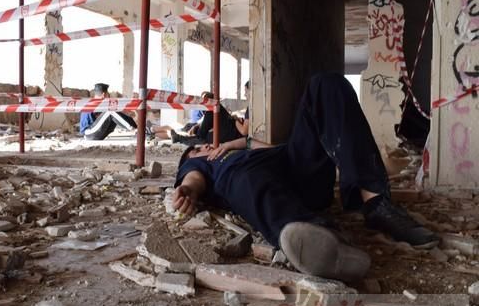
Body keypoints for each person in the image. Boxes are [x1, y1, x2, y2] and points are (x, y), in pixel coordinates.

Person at [172, 73, 439, 282]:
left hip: (298, 170)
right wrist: (188, 190)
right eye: (196, 150)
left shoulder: (231, 151)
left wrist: (238, 144)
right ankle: (319, 238)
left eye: (202, 146)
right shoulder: (210, 167)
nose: (204, 148)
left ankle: (376, 203)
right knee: (239, 176)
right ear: (190, 160)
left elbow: (276, 149)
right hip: (264, 188)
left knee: (325, 83)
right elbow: (192, 180)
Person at [171, 92, 244, 146]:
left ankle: (179, 138)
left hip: (228, 136)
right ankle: (179, 137)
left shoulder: (212, 109)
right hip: (229, 134)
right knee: (194, 128)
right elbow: (204, 125)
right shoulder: (217, 109)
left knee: (203, 138)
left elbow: (201, 133)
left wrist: (197, 130)